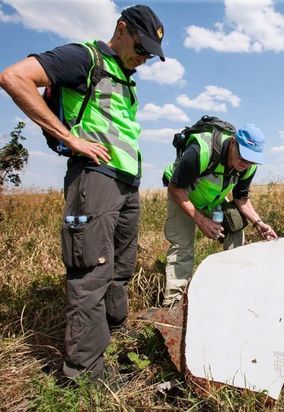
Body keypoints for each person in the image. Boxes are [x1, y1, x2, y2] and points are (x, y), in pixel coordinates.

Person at [0, 5, 165, 380]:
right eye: (140, 49)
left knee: (120, 267)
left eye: (149, 56)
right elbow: (13, 78)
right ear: (121, 29)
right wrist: (70, 138)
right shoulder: (83, 58)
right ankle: (85, 372)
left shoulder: (124, 76)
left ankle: (112, 335)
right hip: (95, 179)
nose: (143, 59)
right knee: (91, 270)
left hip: (126, 182)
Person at [162, 122, 278, 306]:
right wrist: (200, 220)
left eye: (250, 160)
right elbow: (174, 188)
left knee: (236, 226)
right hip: (183, 194)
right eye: (242, 156)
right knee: (183, 245)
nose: (244, 164)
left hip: (212, 199)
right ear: (233, 142)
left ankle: (232, 286)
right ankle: (173, 302)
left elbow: (241, 198)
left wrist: (258, 223)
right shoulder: (201, 151)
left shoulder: (249, 166)